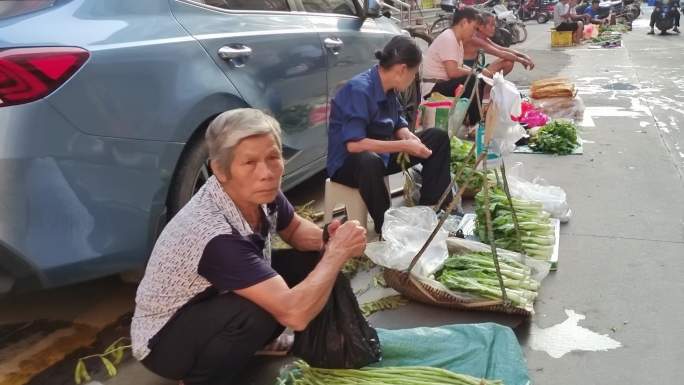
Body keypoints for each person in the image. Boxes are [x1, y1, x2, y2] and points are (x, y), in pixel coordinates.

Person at [131, 108, 368, 385]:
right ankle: (200, 378)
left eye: (273, 157)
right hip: (163, 342)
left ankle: (251, 345)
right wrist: (337, 254)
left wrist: (330, 239)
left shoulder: (261, 193)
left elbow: (294, 230)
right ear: (220, 170)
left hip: (214, 297)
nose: (266, 173)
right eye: (249, 163)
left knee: (313, 264)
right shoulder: (215, 234)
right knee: (259, 313)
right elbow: (295, 314)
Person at [327, 36, 453, 234]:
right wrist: (404, 146)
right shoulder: (359, 90)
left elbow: (397, 121)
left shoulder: (389, 89)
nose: (413, 80)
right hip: (349, 165)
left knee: (438, 138)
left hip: (381, 157)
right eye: (413, 74)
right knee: (369, 161)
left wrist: (407, 135)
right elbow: (354, 145)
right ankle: (386, 227)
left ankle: (431, 208)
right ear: (402, 69)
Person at [421, 7, 486, 124]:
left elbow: (459, 66)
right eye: (474, 28)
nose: (474, 33)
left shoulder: (457, 40)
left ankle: (473, 119)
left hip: (441, 84)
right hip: (432, 89)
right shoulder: (449, 38)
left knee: (478, 78)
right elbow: (453, 72)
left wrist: (479, 72)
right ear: (464, 22)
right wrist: (474, 73)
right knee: (472, 79)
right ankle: (475, 122)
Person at [463, 12, 536, 76]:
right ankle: (486, 91)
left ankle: (487, 88)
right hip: (467, 75)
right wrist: (522, 61)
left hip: (474, 69)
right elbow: (501, 53)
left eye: (494, 25)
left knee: (508, 61)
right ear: (481, 27)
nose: (494, 28)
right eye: (491, 25)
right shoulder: (475, 39)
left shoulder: (483, 38)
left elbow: (501, 49)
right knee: (508, 60)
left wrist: (524, 56)